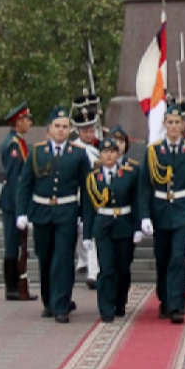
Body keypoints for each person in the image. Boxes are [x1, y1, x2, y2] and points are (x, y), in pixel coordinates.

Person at [16, 108, 92, 324]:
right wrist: (22, 212)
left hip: (67, 213)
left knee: (63, 259)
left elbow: (86, 189)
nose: (61, 130)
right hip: (41, 212)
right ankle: (49, 301)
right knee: (46, 257)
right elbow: (25, 184)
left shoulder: (78, 154)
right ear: (49, 128)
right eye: (57, 126)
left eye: (65, 127)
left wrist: (84, 219)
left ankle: (61, 304)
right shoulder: (37, 151)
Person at [139, 111, 185, 323]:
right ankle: (165, 299)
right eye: (170, 122)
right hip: (160, 209)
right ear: (164, 124)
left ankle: (177, 304)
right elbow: (145, 186)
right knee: (162, 257)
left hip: (183, 208)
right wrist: (144, 216)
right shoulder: (153, 151)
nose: (174, 126)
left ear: (184, 124)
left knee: (178, 257)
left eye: (178, 122)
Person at [82, 136, 142, 322]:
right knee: (106, 269)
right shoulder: (93, 178)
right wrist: (87, 234)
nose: (109, 155)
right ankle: (106, 308)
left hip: (124, 224)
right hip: (103, 226)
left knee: (123, 268)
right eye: (105, 152)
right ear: (100, 155)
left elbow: (136, 201)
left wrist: (138, 227)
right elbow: (88, 207)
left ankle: (120, 301)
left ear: (118, 154)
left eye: (112, 152)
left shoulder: (130, 174)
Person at [0, 103, 33, 301]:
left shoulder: (18, 142)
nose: (29, 123)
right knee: (12, 245)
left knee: (17, 245)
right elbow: (14, 179)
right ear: (18, 121)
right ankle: (12, 286)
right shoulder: (13, 144)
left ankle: (16, 284)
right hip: (12, 202)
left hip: (16, 200)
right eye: (27, 119)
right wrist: (20, 207)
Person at [73, 103, 103, 289]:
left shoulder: (98, 147)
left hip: (97, 195)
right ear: (78, 131)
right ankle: (86, 265)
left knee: (92, 234)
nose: (89, 133)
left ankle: (92, 269)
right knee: (83, 232)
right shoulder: (75, 148)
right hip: (80, 195)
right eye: (85, 130)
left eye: (91, 129)